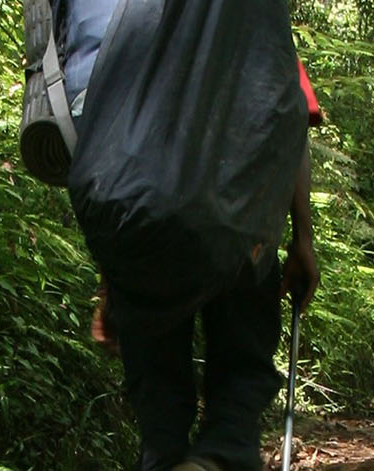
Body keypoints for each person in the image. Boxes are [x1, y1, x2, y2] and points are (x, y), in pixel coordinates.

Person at [90, 61, 324, 471]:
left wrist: (113, 277)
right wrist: (302, 239)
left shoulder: (129, 31)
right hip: (243, 229)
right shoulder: (258, 26)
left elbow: (106, 152)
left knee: (160, 413)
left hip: (146, 231)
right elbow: (291, 127)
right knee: (238, 390)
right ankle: (216, 458)